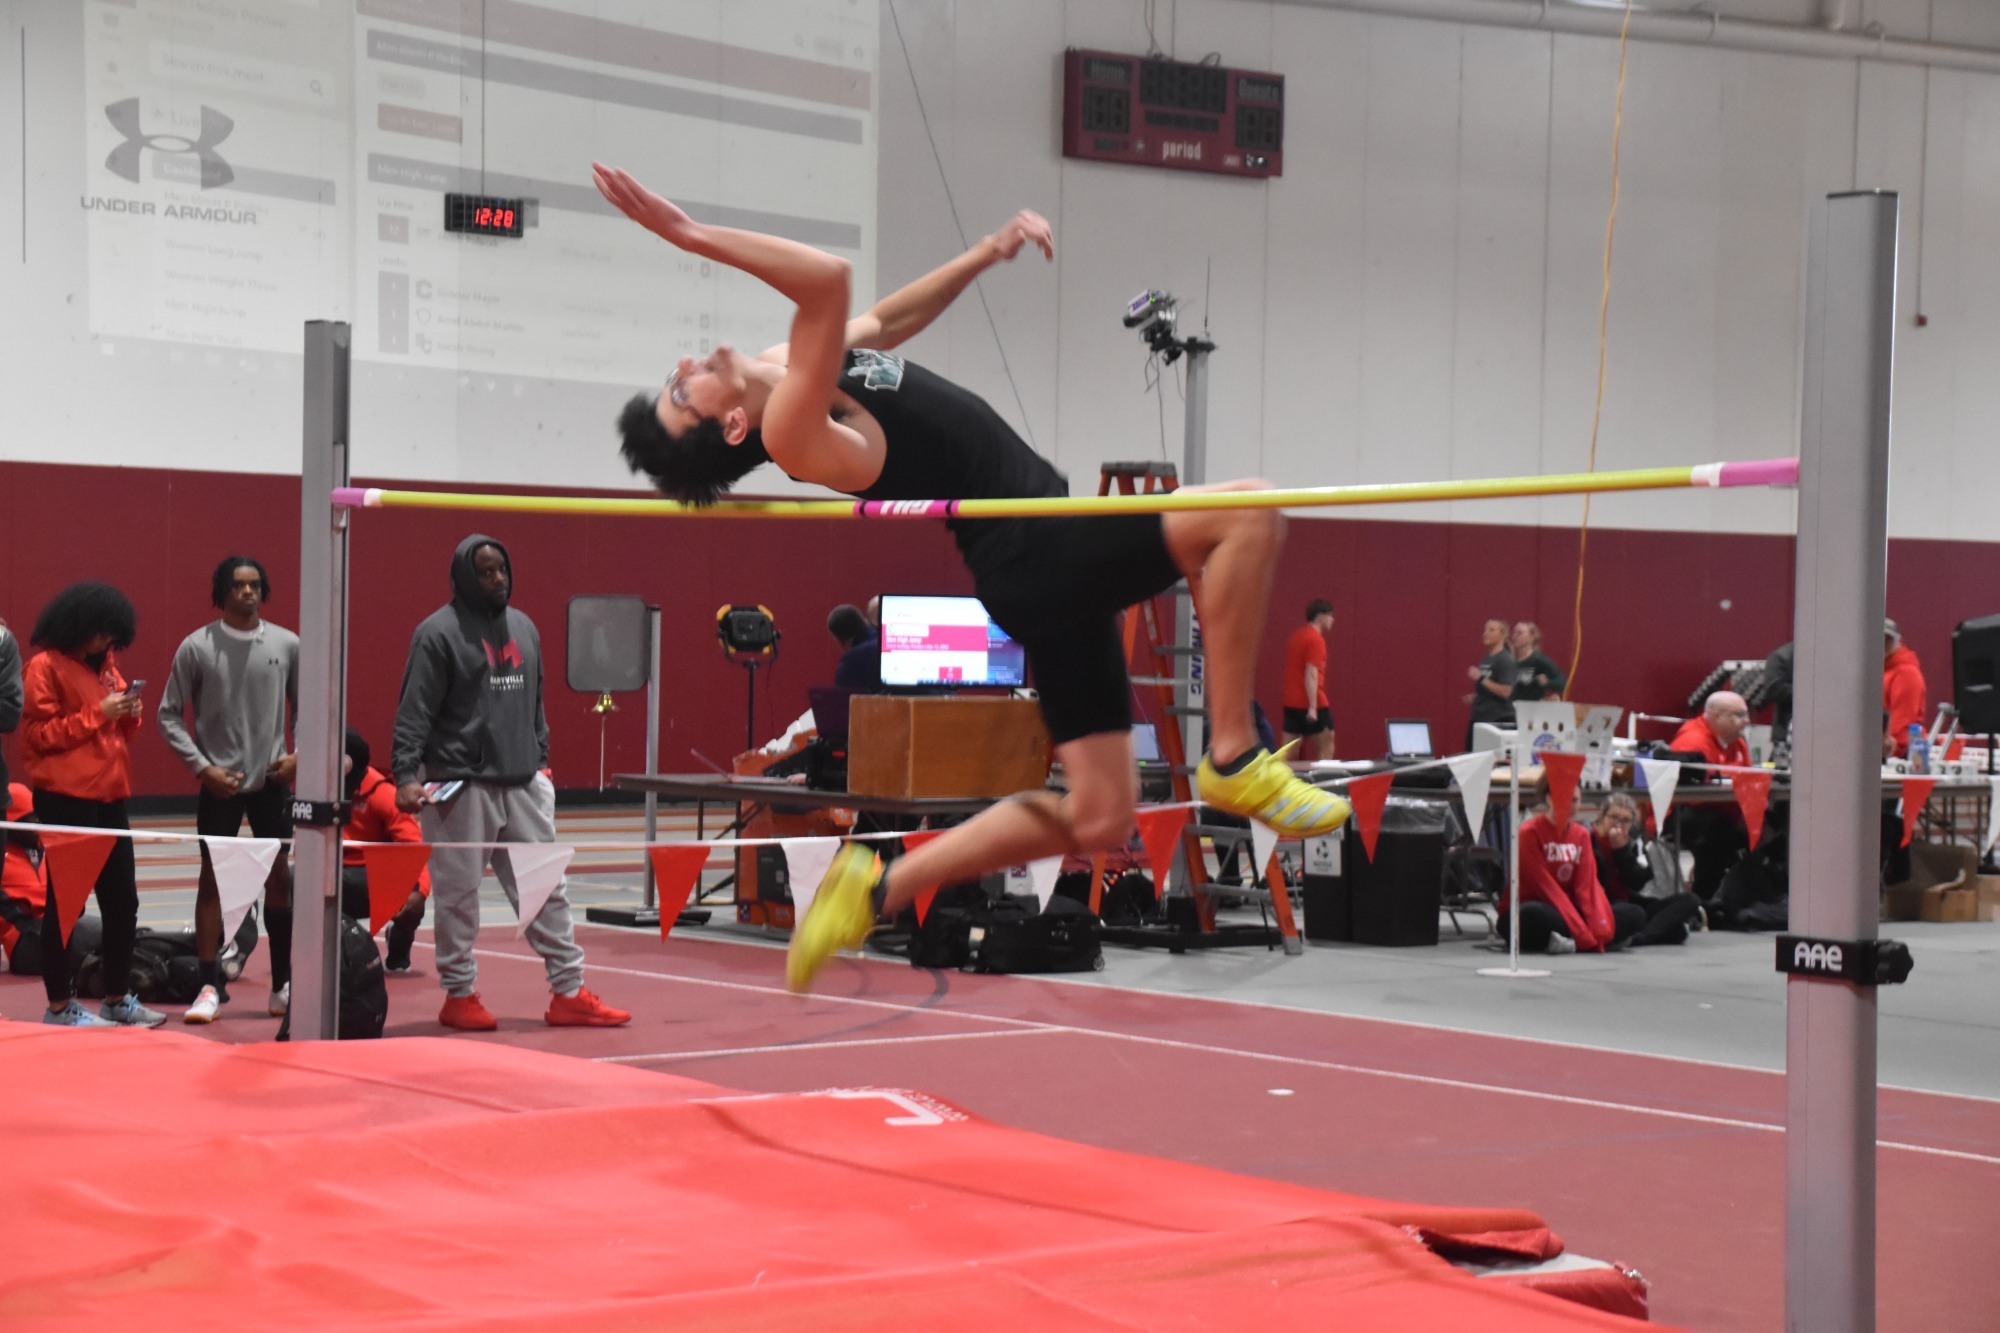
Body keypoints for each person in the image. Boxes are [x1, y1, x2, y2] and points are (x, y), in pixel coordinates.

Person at [593, 162, 1351, 993]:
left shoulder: (793, 366)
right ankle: (1235, 751)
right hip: (1036, 551)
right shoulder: (792, 427)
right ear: (731, 423)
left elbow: (884, 316)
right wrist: (688, 235)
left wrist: (984, 254)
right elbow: (830, 283)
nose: (683, 361)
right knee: (1252, 509)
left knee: (1100, 813)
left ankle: (878, 886)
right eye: (681, 388)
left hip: (1037, 564)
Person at [392, 534, 630, 1030]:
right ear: (463, 576)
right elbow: (413, 712)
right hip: (460, 786)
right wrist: (404, 775)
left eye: (501, 569)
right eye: (484, 572)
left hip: (522, 782)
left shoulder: (523, 626)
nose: (497, 579)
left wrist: (541, 761)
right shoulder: (436, 634)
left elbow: (536, 701)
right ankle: (459, 995)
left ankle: (568, 991)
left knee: (547, 889)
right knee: (457, 896)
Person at [157, 556, 299, 1025]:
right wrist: (202, 768)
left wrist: (299, 757)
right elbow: (168, 714)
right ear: (222, 591)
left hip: (271, 784)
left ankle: (282, 985)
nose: (248, 593)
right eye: (238, 586)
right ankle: (208, 985)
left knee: (281, 878)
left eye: (255, 585)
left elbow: (313, 706)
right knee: (211, 881)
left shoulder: (287, 644)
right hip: (219, 786)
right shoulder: (197, 647)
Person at [21, 582, 162, 1027]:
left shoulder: (107, 668)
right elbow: (37, 737)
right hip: (67, 800)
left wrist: (129, 710)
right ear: (78, 626)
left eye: (113, 635)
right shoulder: (44, 667)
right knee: (68, 905)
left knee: (123, 902)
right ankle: (59, 1006)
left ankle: (118, 998)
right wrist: (100, 713)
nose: (107, 643)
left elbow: (120, 736)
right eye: (101, 633)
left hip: (111, 797)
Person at [1501, 800, 1640, 955]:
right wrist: (1581, 932)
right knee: (1529, 915)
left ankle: (1573, 940)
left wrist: (1598, 924)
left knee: (1634, 913)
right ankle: (1589, 940)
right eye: (1568, 799)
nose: (1571, 805)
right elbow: (1543, 885)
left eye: (1576, 800)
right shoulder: (1528, 831)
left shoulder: (1582, 834)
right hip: (1543, 903)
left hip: (1574, 908)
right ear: (1549, 798)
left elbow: (1587, 887)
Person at [341, 729, 428, 974]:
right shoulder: (318, 789)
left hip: (371, 878)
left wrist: (420, 891)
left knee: (412, 893)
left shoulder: (383, 795)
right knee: (294, 881)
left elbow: (414, 847)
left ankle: (399, 950)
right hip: (334, 874)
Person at [1665, 690, 1752, 902]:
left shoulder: (1737, 742)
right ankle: (1703, 899)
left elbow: (1749, 779)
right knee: (1720, 831)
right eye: (1739, 715)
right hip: (1678, 813)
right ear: (1716, 715)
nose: (1746, 721)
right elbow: (1693, 794)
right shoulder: (1693, 741)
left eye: (1746, 714)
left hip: (1722, 810)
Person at [1589, 792, 1702, 946]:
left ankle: (1639, 936)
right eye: (1614, 817)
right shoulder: (1588, 839)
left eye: (1625, 820)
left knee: (1690, 900)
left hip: (1628, 900)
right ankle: (1647, 934)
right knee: (1670, 929)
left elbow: (1638, 882)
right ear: (1602, 815)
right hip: (1604, 904)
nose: (1619, 825)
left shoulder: (1632, 841)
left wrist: (1622, 852)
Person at [1281, 599, 1336, 759]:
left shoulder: (1296, 637)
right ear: (1320, 616)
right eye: (1330, 616)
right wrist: (1312, 707)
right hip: (1313, 702)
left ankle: (1278, 783)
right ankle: (1323, 783)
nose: (1332, 620)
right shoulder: (1315, 640)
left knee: (1287, 752)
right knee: (1327, 745)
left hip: (1291, 702)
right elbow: (1311, 674)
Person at [1464, 618, 1517, 750]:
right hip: (1480, 716)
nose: (1485, 633)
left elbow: (1506, 691)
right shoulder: (1486, 659)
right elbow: (1491, 686)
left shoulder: (1505, 660)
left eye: (1491, 630)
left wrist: (1481, 678)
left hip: (1497, 719)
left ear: (1502, 634)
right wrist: (1478, 695)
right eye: (1485, 630)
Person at [1883, 619, 1927, 757]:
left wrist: (1887, 753)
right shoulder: (1881, 670)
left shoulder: (1906, 674)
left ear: (1899, 641)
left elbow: (1902, 726)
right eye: (1878, 637)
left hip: (1898, 757)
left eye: (1888, 639)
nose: (1882, 643)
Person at [826, 603, 881, 690]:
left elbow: (842, 699)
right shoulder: (886, 641)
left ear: (840, 640)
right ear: (864, 621)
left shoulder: (852, 660)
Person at [1508, 621, 1567, 703]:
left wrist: (1548, 682)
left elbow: (1562, 682)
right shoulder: (1509, 660)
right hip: (1510, 707)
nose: (1515, 636)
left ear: (1531, 638)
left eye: (1519, 633)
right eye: (1514, 633)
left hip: (1531, 709)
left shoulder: (1538, 660)